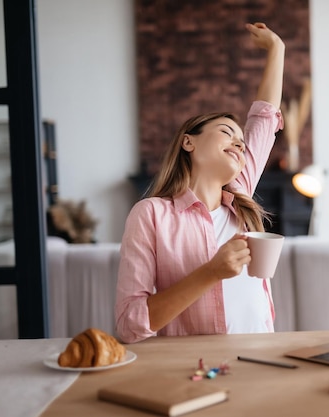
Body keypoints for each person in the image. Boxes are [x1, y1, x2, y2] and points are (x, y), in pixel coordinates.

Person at [115, 22, 285, 344]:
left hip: (262, 354)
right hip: (194, 368)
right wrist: (211, 272)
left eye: (241, 141)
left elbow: (264, 118)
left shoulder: (240, 193)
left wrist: (277, 48)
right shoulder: (151, 215)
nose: (239, 144)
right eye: (226, 133)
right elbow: (129, 324)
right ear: (188, 143)